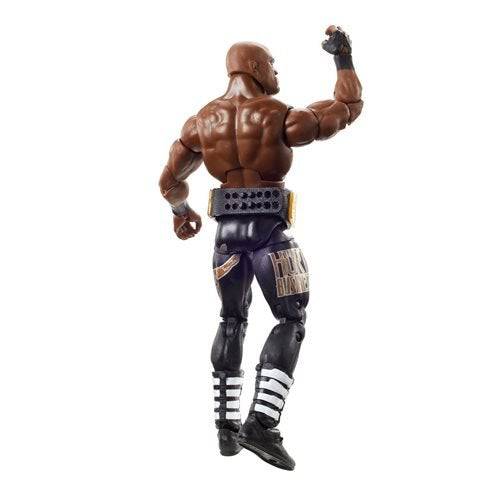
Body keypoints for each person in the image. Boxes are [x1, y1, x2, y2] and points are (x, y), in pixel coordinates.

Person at [159, 25, 363, 470]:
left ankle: (225, 428)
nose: (276, 72)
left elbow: (169, 181)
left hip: (225, 239)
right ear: (254, 67)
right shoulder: (280, 115)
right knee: (291, 319)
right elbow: (347, 108)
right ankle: (261, 425)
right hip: (269, 235)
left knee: (231, 319)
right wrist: (343, 57)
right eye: (272, 64)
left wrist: (181, 212)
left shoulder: (201, 122)